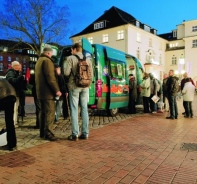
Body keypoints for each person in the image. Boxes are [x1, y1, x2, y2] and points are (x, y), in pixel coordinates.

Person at [64, 43, 93, 141]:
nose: (71, 51)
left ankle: (75, 134)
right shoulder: (88, 59)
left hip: (74, 86)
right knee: (84, 109)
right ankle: (85, 133)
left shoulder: (70, 58)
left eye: (72, 50)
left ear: (74, 49)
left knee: (74, 109)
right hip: (85, 87)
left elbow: (66, 73)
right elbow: (91, 75)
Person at [35, 46, 62, 141]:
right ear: (49, 53)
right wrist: (57, 90)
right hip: (48, 93)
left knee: (42, 112)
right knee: (50, 112)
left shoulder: (39, 60)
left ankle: (42, 132)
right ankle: (49, 133)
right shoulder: (47, 61)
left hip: (40, 92)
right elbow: (50, 77)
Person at [6, 61, 26, 127]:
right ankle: (13, 122)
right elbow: (12, 81)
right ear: (15, 66)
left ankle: (14, 121)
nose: (20, 67)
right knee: (14, 108)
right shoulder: (11, 72)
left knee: (16, 108)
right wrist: (20, 78)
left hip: (16, 93)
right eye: (19, 66)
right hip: (13, 93)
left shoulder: (16, 73)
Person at [0, 79, 17, 151]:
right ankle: (12, 144)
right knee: (9, 121)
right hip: (12, 96)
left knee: (9, 120)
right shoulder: (3, 80)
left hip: (3, 97)